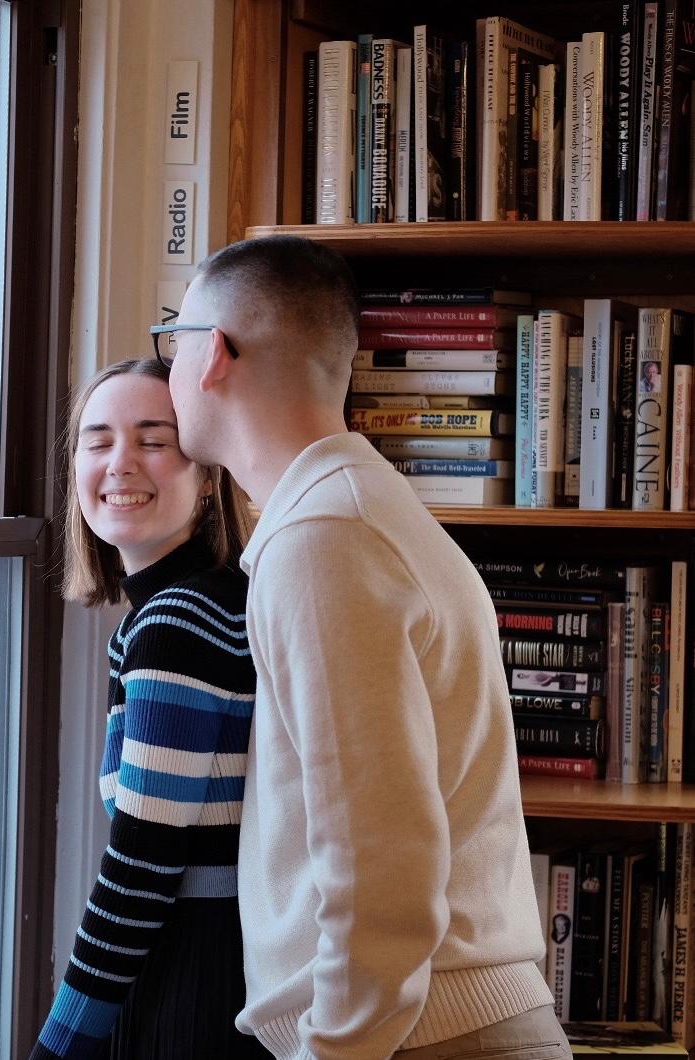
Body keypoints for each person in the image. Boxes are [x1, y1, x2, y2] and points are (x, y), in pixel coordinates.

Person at [162, 235, 571, 1059]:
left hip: (425, 1040)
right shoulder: (352, 511)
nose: (168, 368)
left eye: (172, 339)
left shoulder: (325, 540)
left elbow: (380, 861)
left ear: (213, 354)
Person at [30, 358, 269, 1059]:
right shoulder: (221, 598)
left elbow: (141, 867)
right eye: (98, 441)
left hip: (194, 980)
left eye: (154, 440)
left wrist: (59, 1045)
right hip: (230, 962)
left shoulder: (176, 625)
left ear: (208, 475)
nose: (120, 463)